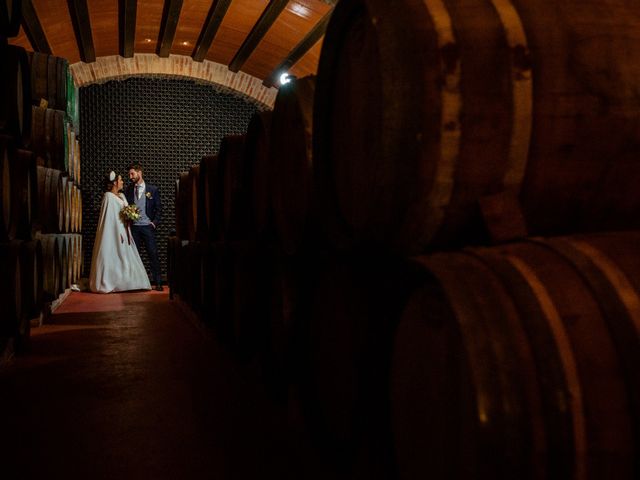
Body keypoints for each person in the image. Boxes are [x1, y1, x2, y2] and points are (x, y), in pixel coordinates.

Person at [89, 171, 151, 293]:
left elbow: (124, 211)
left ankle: (129, 282)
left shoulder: (122, 196)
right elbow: (108, 219)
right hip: (115, 232)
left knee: (127, 257)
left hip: (124, 230)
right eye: (121, 180)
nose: (122, 182)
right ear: (115, 183)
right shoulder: (108, 197)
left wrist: (131, 215)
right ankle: (112, 281)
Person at [125, 163, 163, 291]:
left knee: (152, 254)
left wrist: (154, 223)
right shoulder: (129, 189)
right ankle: (134, 284)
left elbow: (159, 209)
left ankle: (158, 282)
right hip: (134, 227)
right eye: (129, 174)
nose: (130, 177)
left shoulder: (152, 190)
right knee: (134, 256)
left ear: (139, 172)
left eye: (132, 174)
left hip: (147, 227)